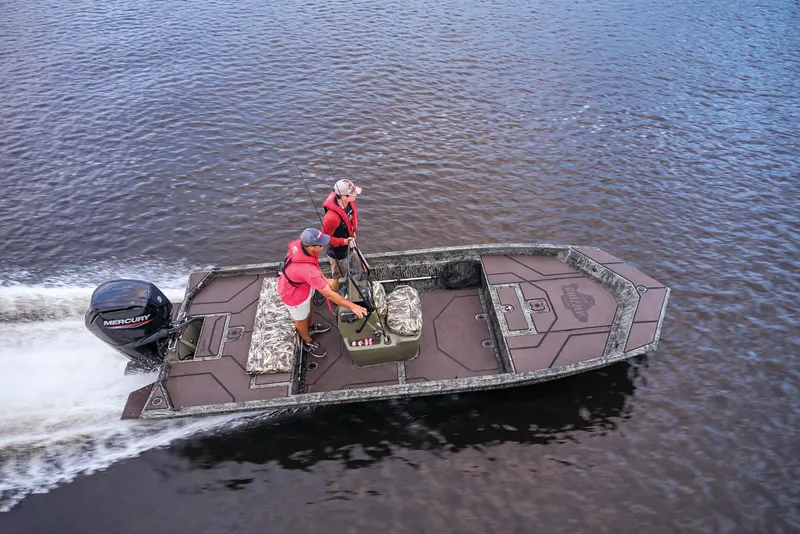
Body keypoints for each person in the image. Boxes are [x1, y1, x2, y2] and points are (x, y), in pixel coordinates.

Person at [278, 227, 367, 358]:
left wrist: (325, 279)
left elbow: (314, 263)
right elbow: (329, 295)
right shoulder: (307, 271)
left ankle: (311, 326)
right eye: (321, 244)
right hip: (293, 295)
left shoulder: (302, 246)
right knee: (300, 319)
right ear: (311, 247)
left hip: (305, 286)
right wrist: (353, 306)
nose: (324, 245)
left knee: (310, 307)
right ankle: (307, 342)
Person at [321, 179, 362, 281]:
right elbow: (324, 238)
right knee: (340, 279)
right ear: (344, 197)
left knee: (360, 269)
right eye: (352, 193)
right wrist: (345, 241)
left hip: (351, 246)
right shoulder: (331, 217)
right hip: (338, 254)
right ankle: (338, 295)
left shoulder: (348, 204)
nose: (355, 194)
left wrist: (352, 233)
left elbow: (349, 221)